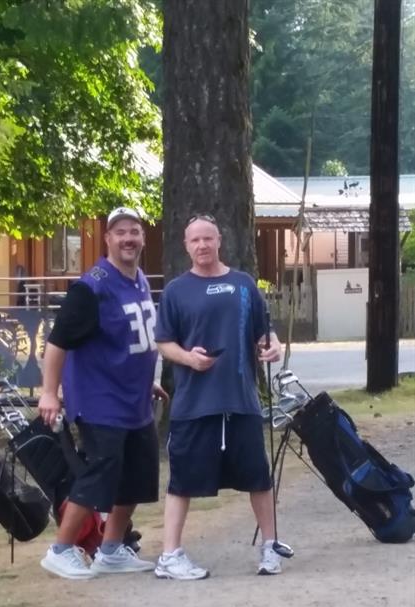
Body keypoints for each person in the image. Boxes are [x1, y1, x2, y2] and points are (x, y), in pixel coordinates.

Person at [38, 206, 167, 580]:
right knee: (100, 474)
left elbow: (131, 340)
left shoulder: (138, 278)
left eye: (135, 231)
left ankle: (111, 549)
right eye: (120, 232)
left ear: (143, 237)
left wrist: (148, 380)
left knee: (137, 476)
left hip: (135, 399)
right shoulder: (91, 287)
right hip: (100, 400)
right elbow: (57, 344)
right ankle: (60, 549)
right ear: (107, 238)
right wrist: (49, 392)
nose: (128, 238)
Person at [153, 214, 284, 580]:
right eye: (195, 240)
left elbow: (265, 333)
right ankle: (170, 556)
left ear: (219, 240)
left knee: (258, 477)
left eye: (208, 239)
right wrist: (188, 359)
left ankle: (270, 546)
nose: (202, 246)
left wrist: (273, 346)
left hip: (240, 400)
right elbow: (164, 342)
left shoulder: (243, 284)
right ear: (186, 245)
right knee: (182, 481)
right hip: (194, 406)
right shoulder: (177, 291)